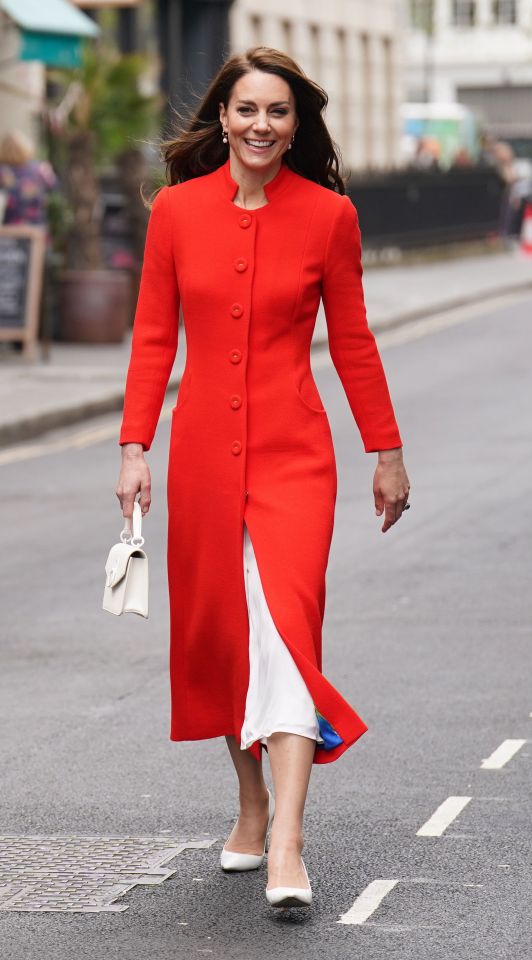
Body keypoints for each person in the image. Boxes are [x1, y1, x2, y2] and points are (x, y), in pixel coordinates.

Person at [116, 46, 410, 910]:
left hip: (294, 457)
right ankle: (249, 804)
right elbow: (150, 338)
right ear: (224, 117)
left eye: (278, 112)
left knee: (284, 633)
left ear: (295, 126)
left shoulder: (328, 218)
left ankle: (288, 838)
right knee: (223, 638)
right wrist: (135, 447)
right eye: (247, 109)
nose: (261, 125)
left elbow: (353, 341)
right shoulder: (174, 213)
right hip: (203, 452)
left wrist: (385, 452)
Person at [0, 130, 57, 227]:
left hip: (9, 226)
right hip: (36, 224)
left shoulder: (3, 170)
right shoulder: (40, 169)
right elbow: (54, 188)